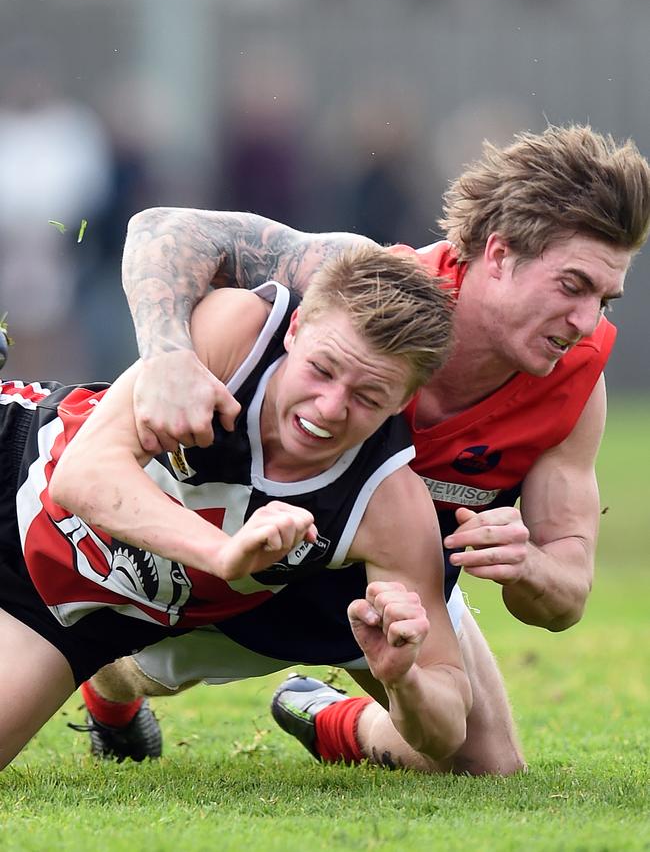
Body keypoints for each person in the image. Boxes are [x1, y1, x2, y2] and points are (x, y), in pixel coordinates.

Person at [83, 123, 650, 775]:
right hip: (255, 540)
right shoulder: (370, 283)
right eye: (572, 286)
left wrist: (528, 565)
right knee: (134, 666)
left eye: (604, 299)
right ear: (499, 253)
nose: (587, 322)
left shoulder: (574, 383)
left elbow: (566, 593)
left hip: (400, 590)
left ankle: (323, 715)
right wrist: (166, 355)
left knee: (487, 764)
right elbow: (163, 229)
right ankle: (108, 691)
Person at [0, 245, 473, 771]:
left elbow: (451, 727)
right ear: (295, 329)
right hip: (19, 458)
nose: (330, 407)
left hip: (59, 614)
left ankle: (110, 696)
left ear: (405, 397)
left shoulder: (387, 504)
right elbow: (83, 474)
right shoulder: (239, 330)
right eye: (321, 368)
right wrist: (225, 554)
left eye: (370, 396)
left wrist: (403, 678)